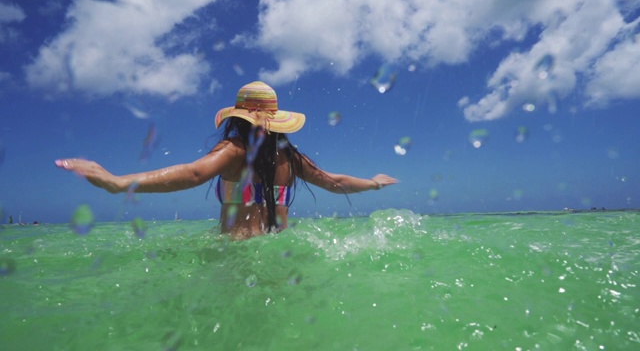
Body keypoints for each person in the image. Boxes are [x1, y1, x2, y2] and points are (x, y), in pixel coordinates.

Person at [56, 81, 397, 239]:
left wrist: (118, 182)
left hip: (236, 253)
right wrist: (373, 184)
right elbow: (334, 182)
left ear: (238, 119)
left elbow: (192, 174)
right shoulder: (290, 157)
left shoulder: (233, 151)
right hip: (281, 250)